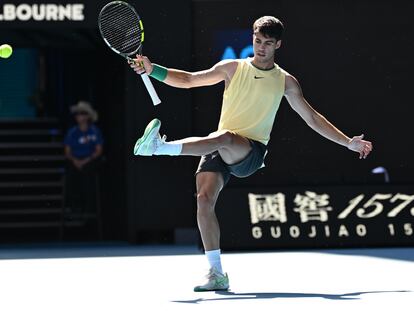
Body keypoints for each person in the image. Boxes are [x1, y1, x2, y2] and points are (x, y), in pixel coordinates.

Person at [130, 16, 373, 292]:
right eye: (257, 41)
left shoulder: (286, 82)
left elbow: (312, 118)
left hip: (250, 152)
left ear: (278, 45)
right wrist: (152, 70)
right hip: (219, 148)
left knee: (223, 137)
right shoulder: (232, 68)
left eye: (268, 43)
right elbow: (188, 80)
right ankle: (217, 273)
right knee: (204, 200)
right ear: (252, 38)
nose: (261, 48)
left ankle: (161, 148)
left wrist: (346, 142)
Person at [64, 101, 103, 216]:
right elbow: (67, 151)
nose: (79, 116)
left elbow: (99, 150)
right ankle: (73, 206)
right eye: (77, 114)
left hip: (90, 160)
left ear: (87, 116)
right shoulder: (72, 132)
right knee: (72, 175)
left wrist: (86, 160)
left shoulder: (95, 131)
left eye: (82, 113)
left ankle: (89, 207)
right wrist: (75, 161)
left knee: (88, 174)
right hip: (75, 160)